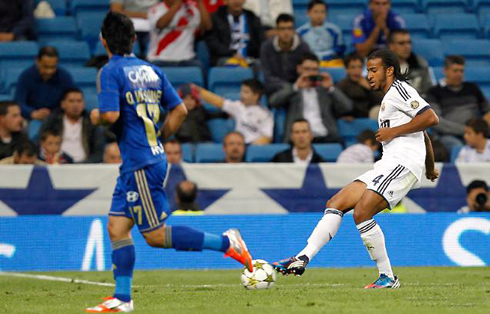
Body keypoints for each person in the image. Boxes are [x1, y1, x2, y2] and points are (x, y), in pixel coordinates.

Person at [86, 12, 253, 312]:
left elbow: (109, 116)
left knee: (154, 235)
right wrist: (158, 137)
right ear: (135, 39)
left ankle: (227, 243)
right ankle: (122, 299)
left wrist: (95, 116)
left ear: (103, 40)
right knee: (117, 227)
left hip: (140, 163)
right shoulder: (150, 70)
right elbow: (180, 111)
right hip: (144, 159)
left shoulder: (110, 71)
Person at [273, 49, 439, 289]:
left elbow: (431, 118)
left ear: (389, 70)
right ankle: (303, 256)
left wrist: (392, 132)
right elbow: (422, 133)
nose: (368, 75)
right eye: (367, 70)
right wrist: (430, 168)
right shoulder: (390, 98)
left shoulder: (400, 90)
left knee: (362, 213)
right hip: (388, 163)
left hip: (401, 163)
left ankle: (388, 277)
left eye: (373, 70)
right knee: (336, 202)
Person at [269, 52, 352, 144]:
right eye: (307, 69)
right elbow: (273, 102)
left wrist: (331, 88)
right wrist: (296, 87)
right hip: (298, 138)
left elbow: (347, 107)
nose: (311, 73)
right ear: (299, 69)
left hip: (325, 136)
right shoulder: (291, 88)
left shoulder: (325, 89)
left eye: (314, 70)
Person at [426, 55, 490, 151]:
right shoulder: (434, 92)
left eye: (461, 71)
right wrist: (465, 130)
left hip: (474, 133)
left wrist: (481, 130)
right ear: (445, 71)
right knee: (458, 147)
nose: (459, 74)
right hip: (449, 135)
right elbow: (437, 121)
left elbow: (487, 111)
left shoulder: (472, 88)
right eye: (455, 71)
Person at [195, 79, 273, 145]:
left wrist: (250, 148)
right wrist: (198, 90)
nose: (241, 95)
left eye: (246, 92)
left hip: (254, 148)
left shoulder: (266, 114)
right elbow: (219, 102)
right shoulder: (238, 106)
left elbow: (267, 138)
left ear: (256, 95)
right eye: (241, 91)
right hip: (238, 145)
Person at [39, 88, 104, 163]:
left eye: (79, 101)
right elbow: (41, 143)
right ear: (63, 104)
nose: (75, 105)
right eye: (71, 101)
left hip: (85, 166)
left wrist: (85, 165)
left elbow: (99, 150)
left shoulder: (91, 122)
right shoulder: (53, 120)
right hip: (58, 165)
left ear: (84, 104)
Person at [15, 47, 76, 120]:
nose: (49, 71)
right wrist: (32, 113)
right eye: (45, 67)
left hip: (58, 118)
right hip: (30, 117)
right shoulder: (26, 76)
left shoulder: (64, 76)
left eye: (53, 67)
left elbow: (72, 97)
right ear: (37, 61)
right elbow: (18, 102)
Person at [147, 0, 211, 70]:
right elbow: (160, 24)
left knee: (200, 68)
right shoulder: (156, 8)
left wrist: (200, 2)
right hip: (160, 59)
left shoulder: (191, 8)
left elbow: (207, 26)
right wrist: (177, 4)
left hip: (187, 58)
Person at [260, 14, 311, 96]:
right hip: (275, 90)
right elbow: (267, 76)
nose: (286, 32)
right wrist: (288, 87)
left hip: (298, 89)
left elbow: (307, 71)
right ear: (276, 31)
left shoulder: (303, 47)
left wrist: (295, 86)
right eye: (282, 29)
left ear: (294, 30)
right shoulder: (266, 47)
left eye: (289, 28)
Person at [205, 0, 263, 67]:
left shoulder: (252, 18)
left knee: (261, 64)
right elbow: (213, 43)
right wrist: (232, 54)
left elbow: (260, 42)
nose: (237, 1)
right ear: (225, 1)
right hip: (225, 57)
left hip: (249, 58)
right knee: (232, 64)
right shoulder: (216, 17)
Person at [297, 0, 344, 67]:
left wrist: (324, 57)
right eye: (315, 11)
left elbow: (339, 49)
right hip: (308, 63)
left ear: (326, 14)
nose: (319, 15)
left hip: (330, 63)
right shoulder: (300, 31)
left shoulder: (334, 30)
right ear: (308, 13)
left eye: (322, 12)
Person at [336, 53, 383, 119]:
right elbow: (340, 104)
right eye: (353, 67)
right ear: (347, 70)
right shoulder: (342, 85)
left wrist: (369, 89)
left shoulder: (370, 81)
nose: (357, 71)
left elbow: (381, 101)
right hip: (352, 117)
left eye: (359, 67)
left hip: (370, 115)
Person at [387, 29, 433, 95]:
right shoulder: (382, 66)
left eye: (409, 42)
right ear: (391, 46)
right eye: (401, 43)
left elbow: (428, 89)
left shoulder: (420, 63)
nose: (407, 46)